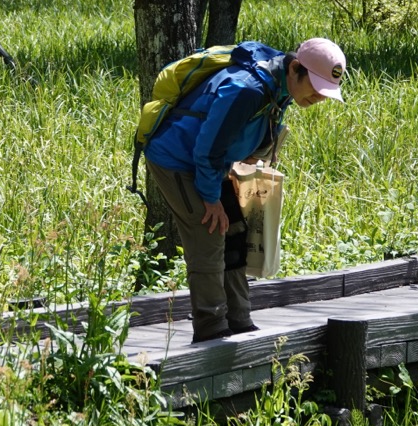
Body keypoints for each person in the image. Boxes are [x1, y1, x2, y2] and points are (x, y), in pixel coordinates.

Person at [143, 38, 346, 343]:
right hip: (178, 161)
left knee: (235, 231)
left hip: (214, 163)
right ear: (295, 68)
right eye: (317, 87)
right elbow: (207, 149)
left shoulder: (281, 85)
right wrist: (211, 198)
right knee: (208, 233)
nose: (320, 97)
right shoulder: (246, 89)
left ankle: (239, 320)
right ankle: (212, 330)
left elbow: (256, 129)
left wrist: (251, 157)